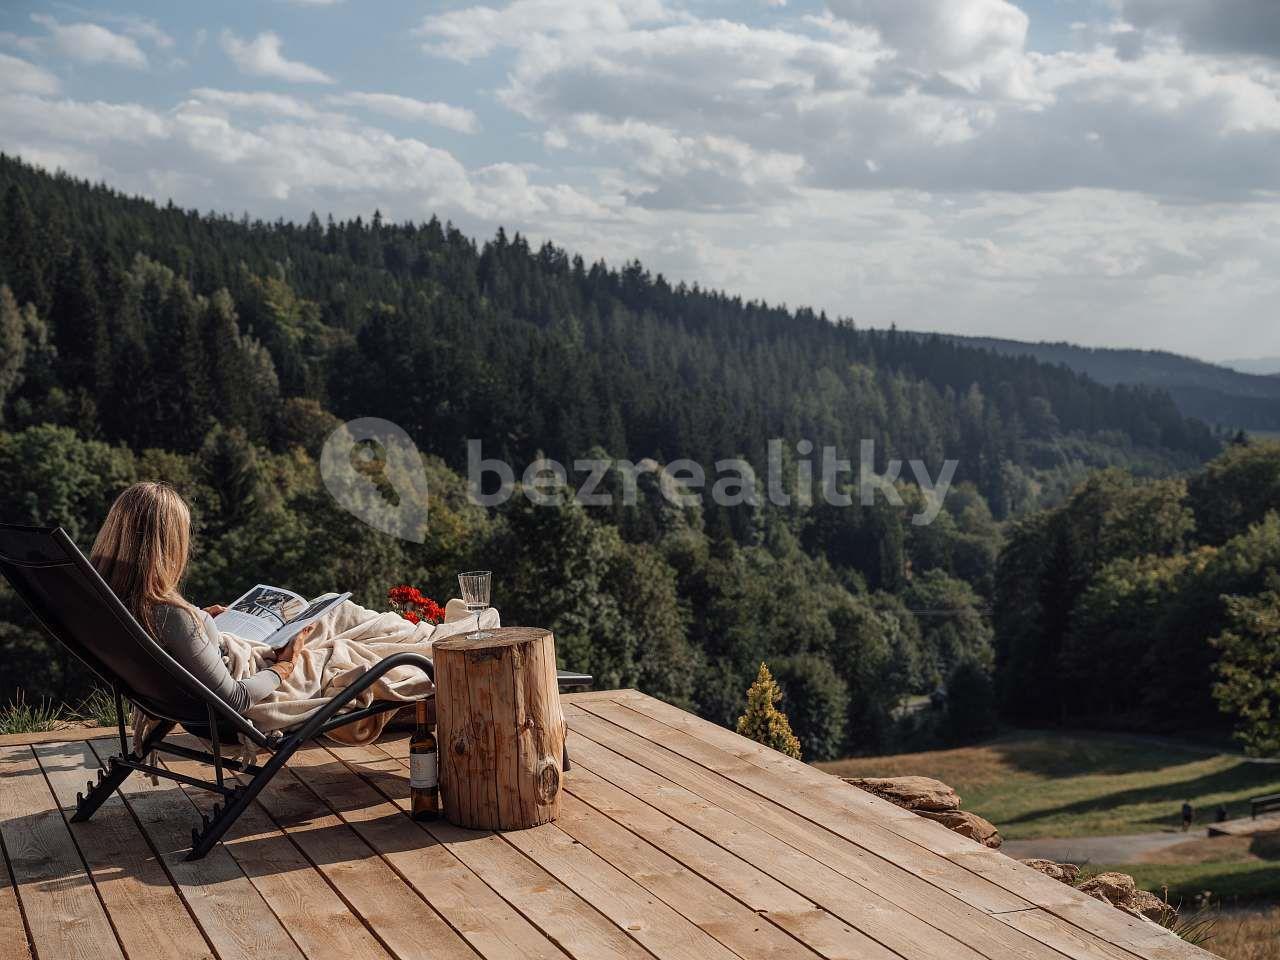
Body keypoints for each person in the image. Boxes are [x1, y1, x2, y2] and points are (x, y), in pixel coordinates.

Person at [89, 481, 316, 714]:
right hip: (248, 700)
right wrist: (286, 664)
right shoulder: (170, 615)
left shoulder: (106, 603)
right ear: (169, 546)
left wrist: (199, 618)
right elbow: (235, 699)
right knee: (343, 616)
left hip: (180, 698)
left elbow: (164, 640)